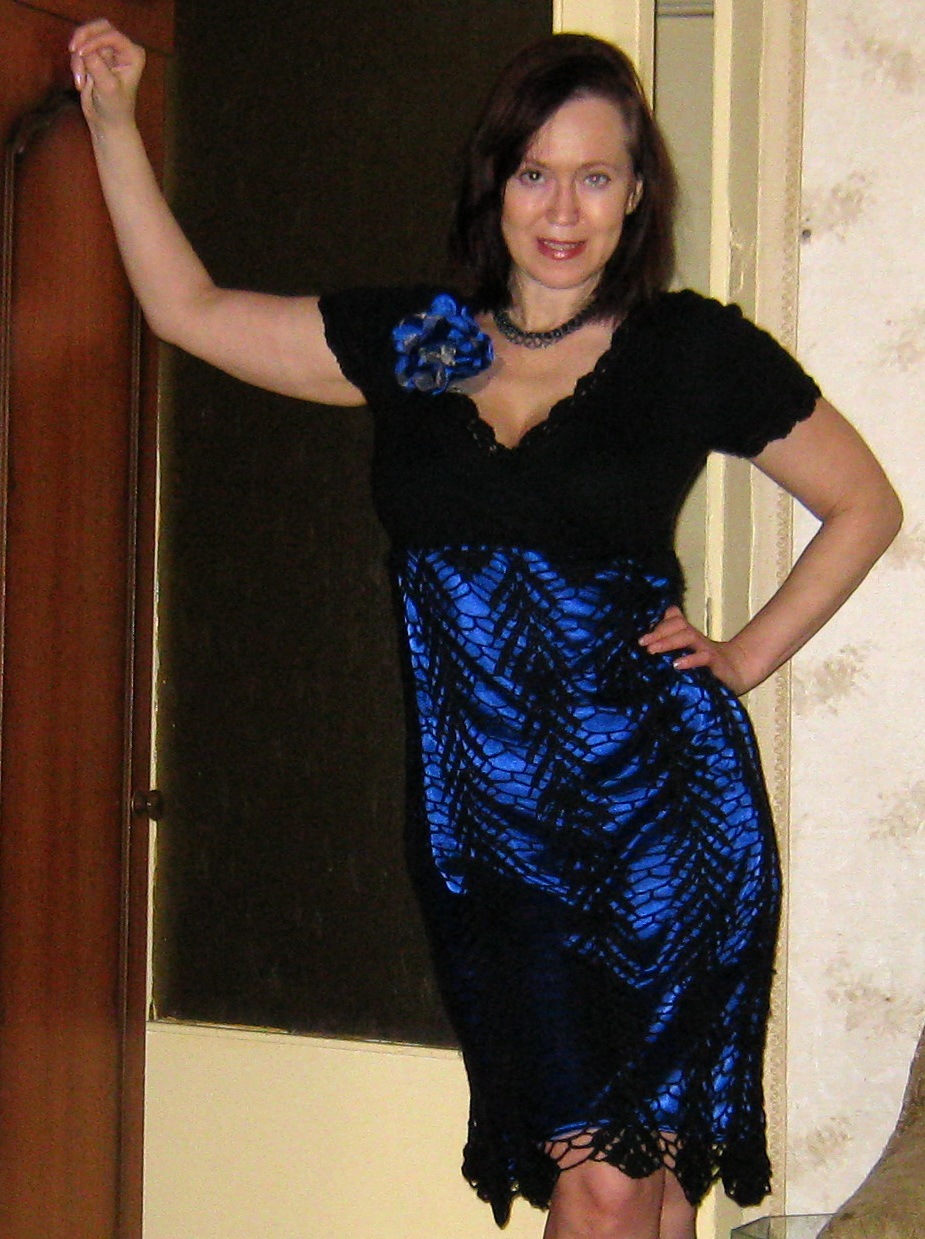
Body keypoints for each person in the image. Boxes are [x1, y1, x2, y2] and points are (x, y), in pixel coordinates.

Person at [69, 19, 902, 1239]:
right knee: (629, 1193)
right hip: (490, 841)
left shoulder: (686, 349)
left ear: (636, 194)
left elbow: (865, 504)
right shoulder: (425, 343)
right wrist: (112, 123)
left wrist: (744, 656)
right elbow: (187, 309)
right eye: (533, 173)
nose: (561, 208)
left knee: (618, 1193)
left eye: (595, 175)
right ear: (494, 184)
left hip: (665, 825)